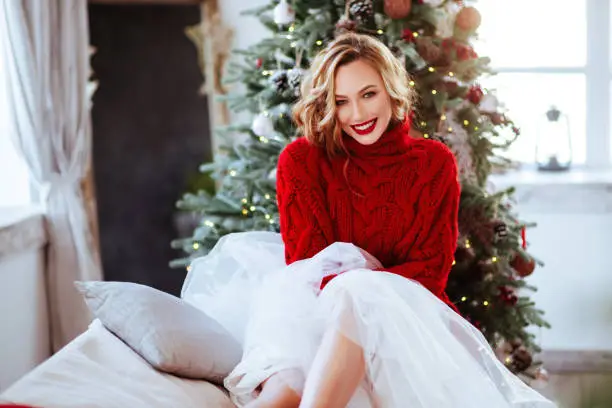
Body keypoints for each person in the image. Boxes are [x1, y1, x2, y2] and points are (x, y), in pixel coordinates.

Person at [181, 33, 557, 408]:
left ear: (391, 88)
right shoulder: (301, 161)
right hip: (315, 312)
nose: (357, 115)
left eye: (368, 94)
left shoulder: (433, 163)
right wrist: (355, 293)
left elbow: (430, 269)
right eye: (341, 102)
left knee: (357, 296)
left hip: (411, 315)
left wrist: (365, 292)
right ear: (326, 104)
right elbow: (307, 266)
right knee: (288, 386)